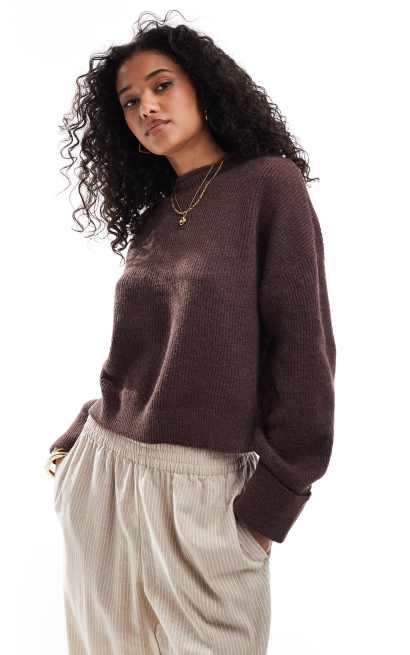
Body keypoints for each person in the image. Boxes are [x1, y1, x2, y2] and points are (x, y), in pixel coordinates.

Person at [45, 10, 336, 655]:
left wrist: (271, 507)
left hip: (205, 492)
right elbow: (139, 353)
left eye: (161, 85)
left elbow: (304, 350)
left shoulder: (270, 186)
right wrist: (80, 433)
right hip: (106, 479)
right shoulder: (157, 215)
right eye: (129, 101)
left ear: (203, 85)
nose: (146, 107)